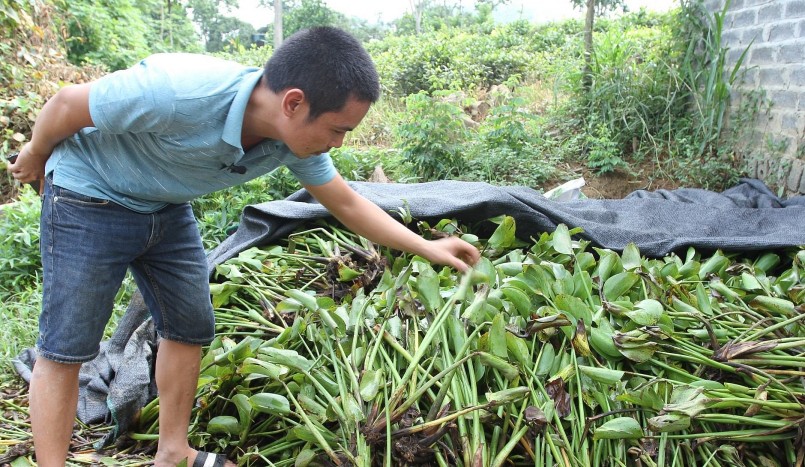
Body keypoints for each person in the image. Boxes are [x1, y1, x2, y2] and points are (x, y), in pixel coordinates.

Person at [8, 26, 480, 467]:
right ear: (293, 102)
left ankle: (173, 452)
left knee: (189, 325)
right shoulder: (180, 92)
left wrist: (428, 247)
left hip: (165, 206)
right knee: (67, 346)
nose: (338, 143)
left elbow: (347, 204)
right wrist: (34, 153)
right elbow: (67, 104)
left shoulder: (290, 140)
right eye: (338, 129)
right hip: (89, 196)